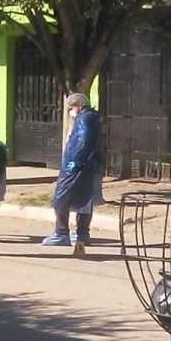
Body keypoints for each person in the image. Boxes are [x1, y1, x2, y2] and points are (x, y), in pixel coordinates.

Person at [43, 92, 104, 247]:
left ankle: (61, 232)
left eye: (71, 108)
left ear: (78, 106)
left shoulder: (84, 118)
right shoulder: (93, 117)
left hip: (78, 166)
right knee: (85, 200)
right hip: (90, 165)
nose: (70, 112)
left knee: (61, 197)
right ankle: (82, 234)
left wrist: (74, 163)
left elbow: (82, 141)